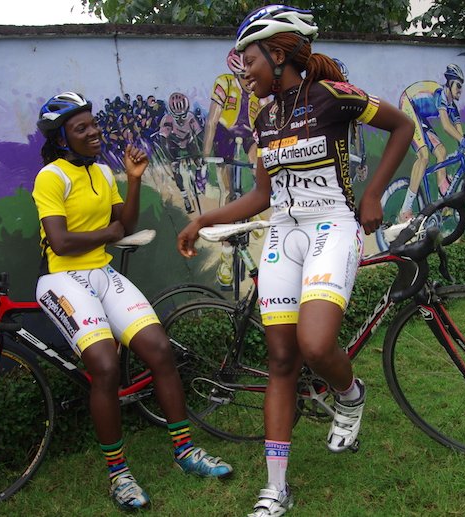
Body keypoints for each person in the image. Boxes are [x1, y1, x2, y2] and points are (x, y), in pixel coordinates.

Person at [176, 6, 413, 516]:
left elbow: (402, 126)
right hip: (283, 233)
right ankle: (276, 488)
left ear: (278, 55)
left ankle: (350, 393)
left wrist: (373, 194)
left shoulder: (332, 95)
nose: (244, 71)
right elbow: (262, 195)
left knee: (315, 343)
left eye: (250, 60)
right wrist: (204, 219)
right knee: (281, 360)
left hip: (332, 225)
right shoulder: (264, 119)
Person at [32, 91, 233, 512]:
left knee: (159, 350)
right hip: (63, 279)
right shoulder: (51, 176)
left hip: (102, 273)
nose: (94, 131)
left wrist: (135, 178)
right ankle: (119, 475)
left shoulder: (103, 172)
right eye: (82, 128)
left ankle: (185, 451)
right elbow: (61, 242)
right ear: (62, 138)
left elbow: (125, 224)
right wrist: (109, 234)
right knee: (105, 365)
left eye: (93, 123)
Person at [201, 47, 268, 290]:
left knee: (259, 167)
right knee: (228, 193)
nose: (249, 82)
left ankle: (254, 208)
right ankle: (226, 257)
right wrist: (206, 154)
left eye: (251, 76)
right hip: (225, 136)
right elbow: (212, 121)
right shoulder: (224, 83)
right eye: (244, 77)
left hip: (250, 135)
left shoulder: (260, 89)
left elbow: (266, 125)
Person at [397, 63, 465, 220]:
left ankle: (441, 198)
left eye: (462, 86)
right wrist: (462, 139)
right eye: (458, 85)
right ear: (450, 83)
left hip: (418, 116)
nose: (460, 90)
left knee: (441, 151)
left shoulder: (452, 107)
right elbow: (446, 126)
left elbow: (461, 139)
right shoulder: (440, 94)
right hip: (408, 104)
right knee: (424, 156)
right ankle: (405, 210)